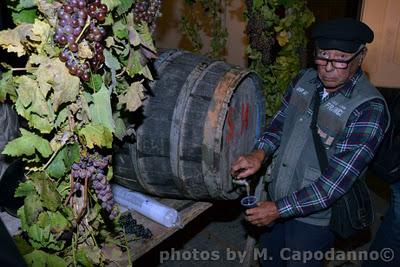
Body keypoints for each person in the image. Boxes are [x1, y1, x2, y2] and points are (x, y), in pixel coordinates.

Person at [231, 17, 389, 267]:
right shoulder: (303, 80)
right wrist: (259, 153)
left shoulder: (368, 109)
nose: (327, 67)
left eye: (340, 59)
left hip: (315, 219)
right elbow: (279, 124)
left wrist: (277, 209)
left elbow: (331, 186)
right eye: (322, 55)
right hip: (277, 197)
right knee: (270, 260)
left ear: (361, 56)